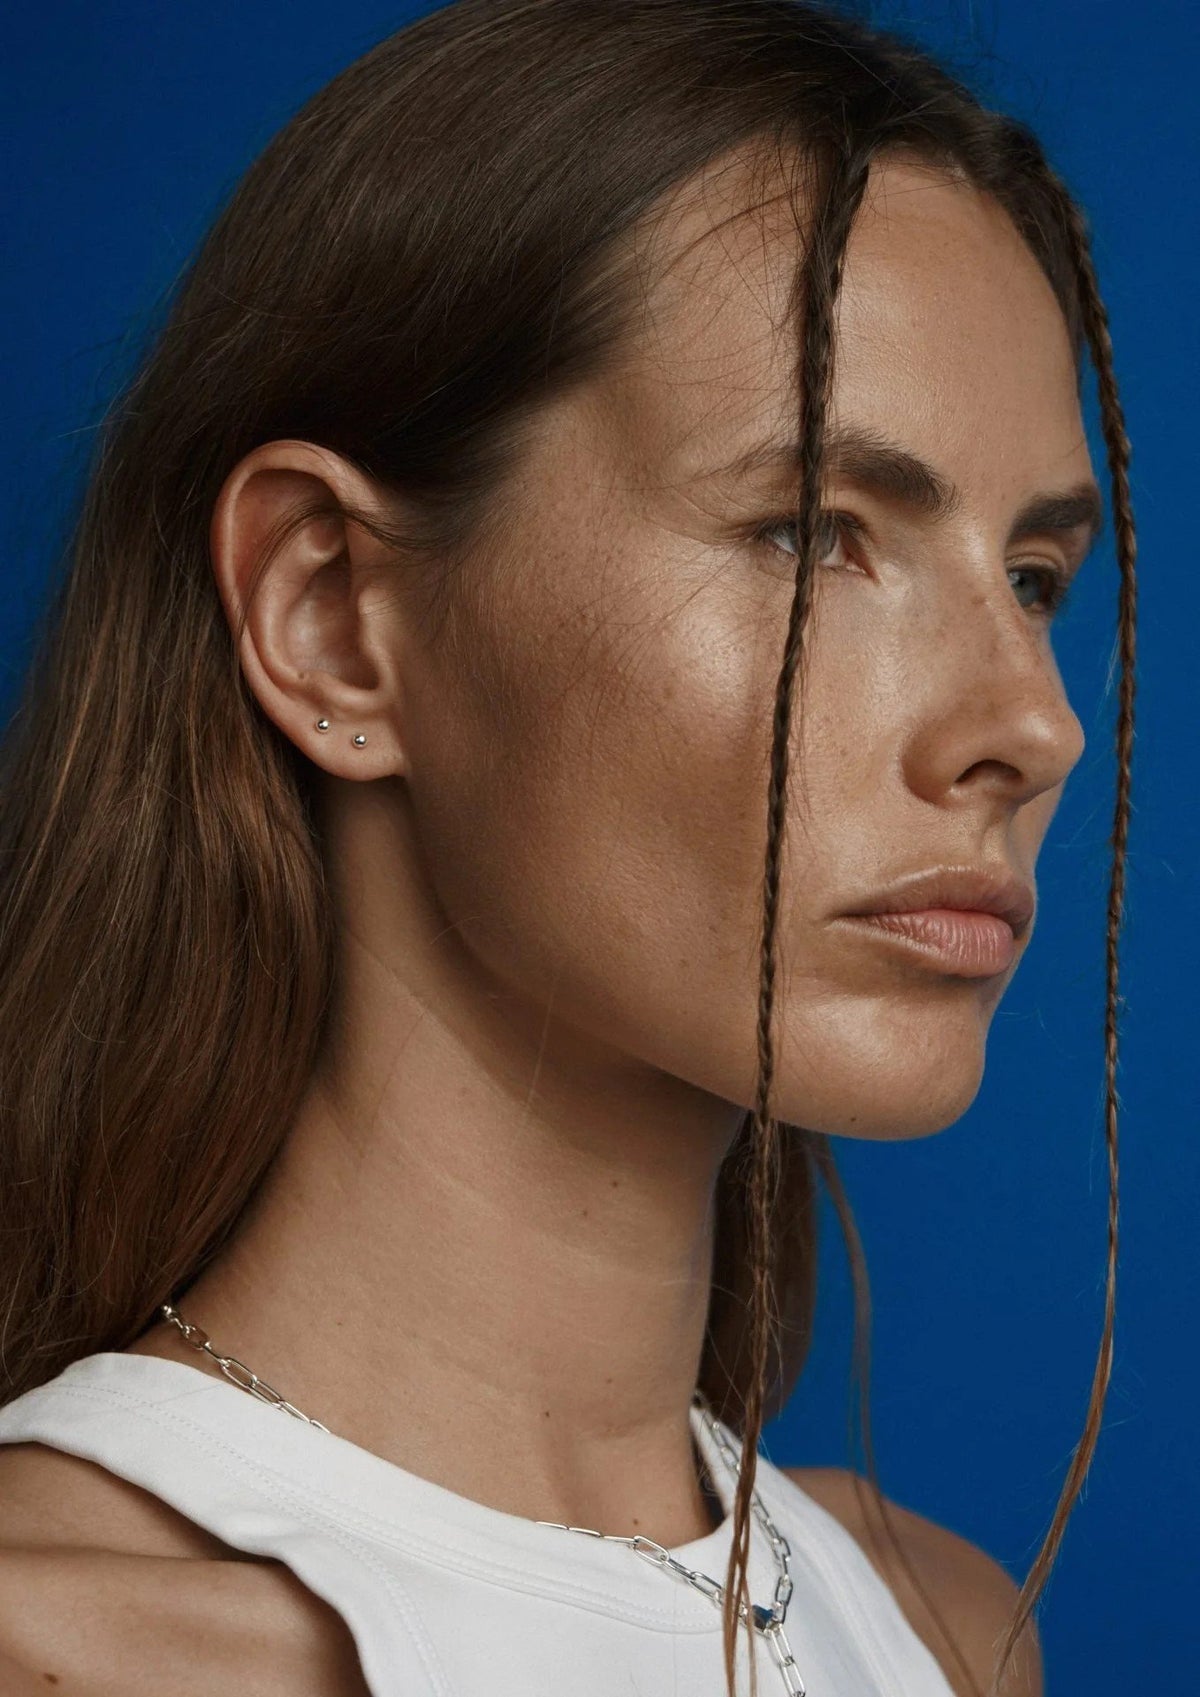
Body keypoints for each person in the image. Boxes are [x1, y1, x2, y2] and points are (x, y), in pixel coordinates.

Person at [0, 2, 1136, 1695]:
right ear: (333, 619)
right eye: (817, 532)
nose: (1033, 725)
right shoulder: (52, 1641)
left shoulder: (948, 1633)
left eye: (1033, 575)